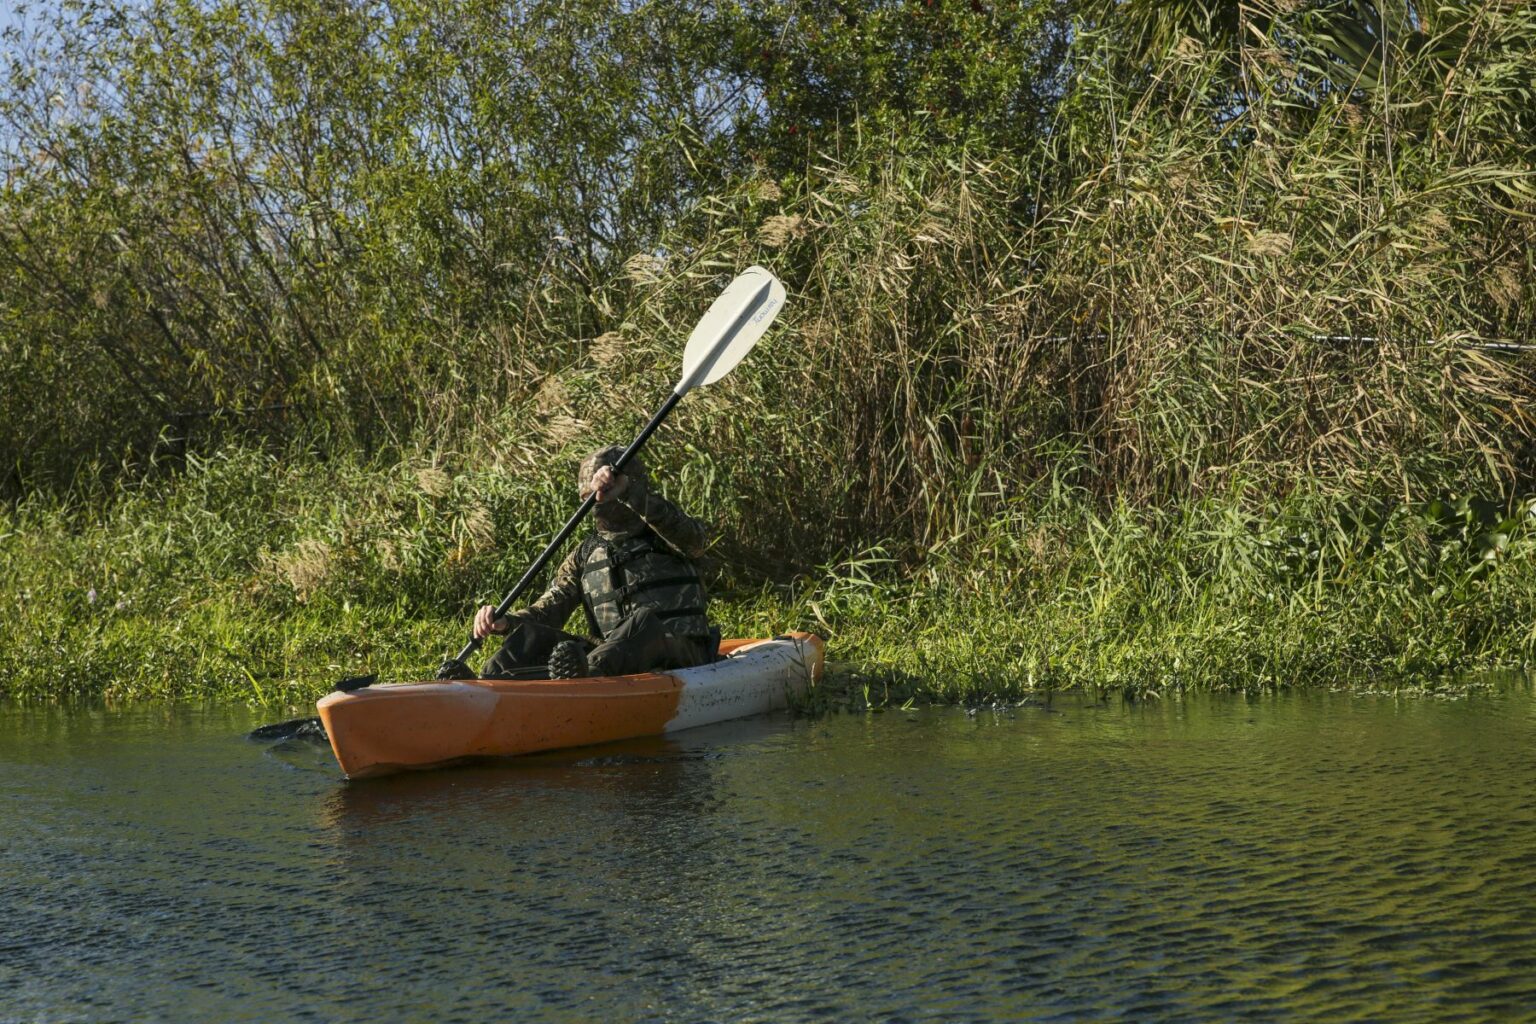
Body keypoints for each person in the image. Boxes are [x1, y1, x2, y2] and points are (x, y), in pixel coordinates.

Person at [471, 445, 717, 679]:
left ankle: (588, 677)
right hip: (611, 659)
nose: (597, 501)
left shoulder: (664, 532)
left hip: (681, 652)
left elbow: (696, 543)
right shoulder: (585, 553)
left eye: (604, 493)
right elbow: (549, 611)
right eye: (589, 496)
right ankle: (491, 681)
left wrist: (630, 493)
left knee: (642, 622)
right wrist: (506, 622)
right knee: (529, 637)